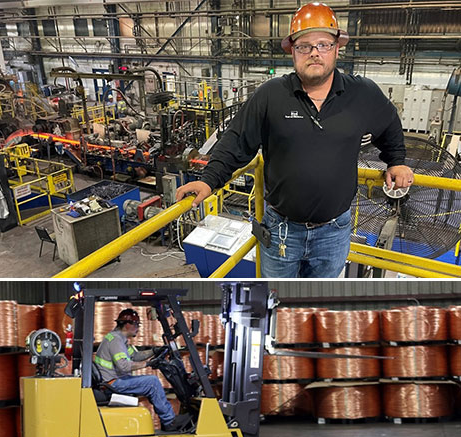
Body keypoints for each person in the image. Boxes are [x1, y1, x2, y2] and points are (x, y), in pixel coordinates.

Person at [175, 2, 414, 278]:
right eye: (304, 46)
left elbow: (389, 124)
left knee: (316, 304)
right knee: (276, 299)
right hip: (281, 231)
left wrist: (396, 161)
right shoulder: (271, 95)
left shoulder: (362, 94)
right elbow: (236, 141)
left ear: (337, 48)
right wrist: (208, 180)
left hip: (333, 233)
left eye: (323, 44)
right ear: (293, 52)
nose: (314, 52)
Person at [94, 309, 177, 431]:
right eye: (137, 324)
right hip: (113, 383)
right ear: (128, 324)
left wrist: (154, 351)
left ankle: (167, 419)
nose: (138, 328)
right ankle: (169, 421)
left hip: (114, 380)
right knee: (152, 382)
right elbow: (124, 366)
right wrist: (148, 364)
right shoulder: (116, 341)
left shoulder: (119, 339)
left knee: (150, 382)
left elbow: (135, 356)